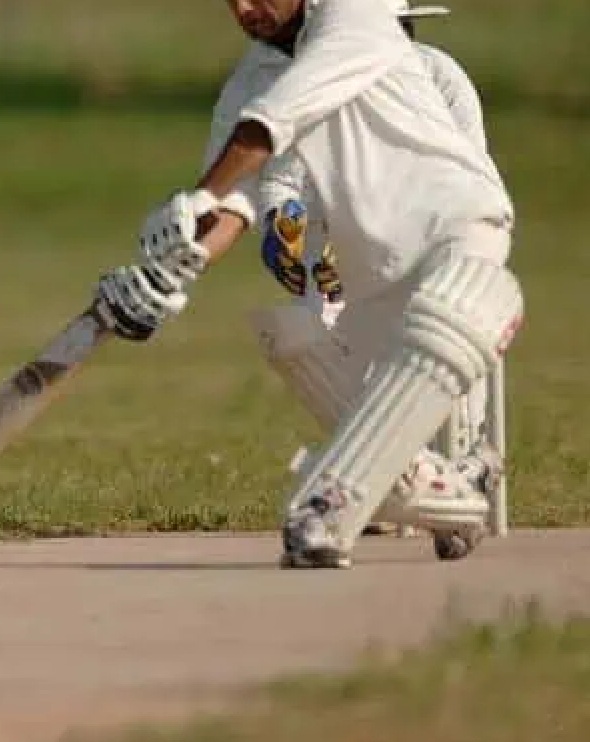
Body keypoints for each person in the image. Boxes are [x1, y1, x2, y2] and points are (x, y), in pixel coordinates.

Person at [95, 0, 522, 569]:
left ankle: (329, 509)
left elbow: (271, 123)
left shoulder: (357, 15)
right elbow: (232, 203)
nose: (246, 8)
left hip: (457, 228)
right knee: (291, 335)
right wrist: (172, 266)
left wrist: (200, 195)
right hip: (371, 281)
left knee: (448, 318)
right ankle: (457, 489)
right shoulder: (246, 86)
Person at [244, 0, 501, 542]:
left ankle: (464, 464)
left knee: (438, 345)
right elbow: (283, 177)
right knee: (308, 345)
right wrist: (285, 226)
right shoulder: (325, 76)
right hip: (361, 270)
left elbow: (466, 169)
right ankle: (423, 487)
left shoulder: (438, 74)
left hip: (444, 245)